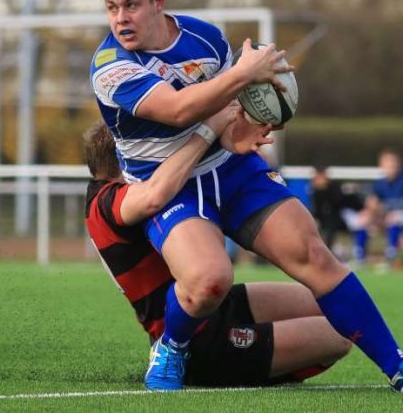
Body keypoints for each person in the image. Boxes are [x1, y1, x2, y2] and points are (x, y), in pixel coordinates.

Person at [91, 0, 403, 395]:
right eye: (111, 7)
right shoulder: (110, 66)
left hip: (231, 168)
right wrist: (244, 75)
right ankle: (172, 345)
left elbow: (235, 109)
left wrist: (255, 121)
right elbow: (179, 109)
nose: (120, 18)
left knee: (316, 257)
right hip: (171, 182)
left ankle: (401, 369)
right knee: (209, 281)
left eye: (131, 5)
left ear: (157, 1)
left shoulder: (203, 38)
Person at [84, 112, 352, 387]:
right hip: (199, 338)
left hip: (215, 307)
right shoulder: (111, 202)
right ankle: (193, 360)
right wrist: (210, 128)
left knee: (337, 306)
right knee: (340, 336)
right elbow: (157, 192)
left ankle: (260, 363)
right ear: (124, 158)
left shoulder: (110, 197)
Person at [364, 149, 403, 266]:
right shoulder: (379, 183)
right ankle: (360, 257)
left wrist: (385, 208)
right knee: (363, 219)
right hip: (385, 216)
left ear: (399, 164)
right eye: (387, 165)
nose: (390, 168)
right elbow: (373, 201)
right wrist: (371, 208)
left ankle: (392, 254)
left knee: (394, 217)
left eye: (393, 165)